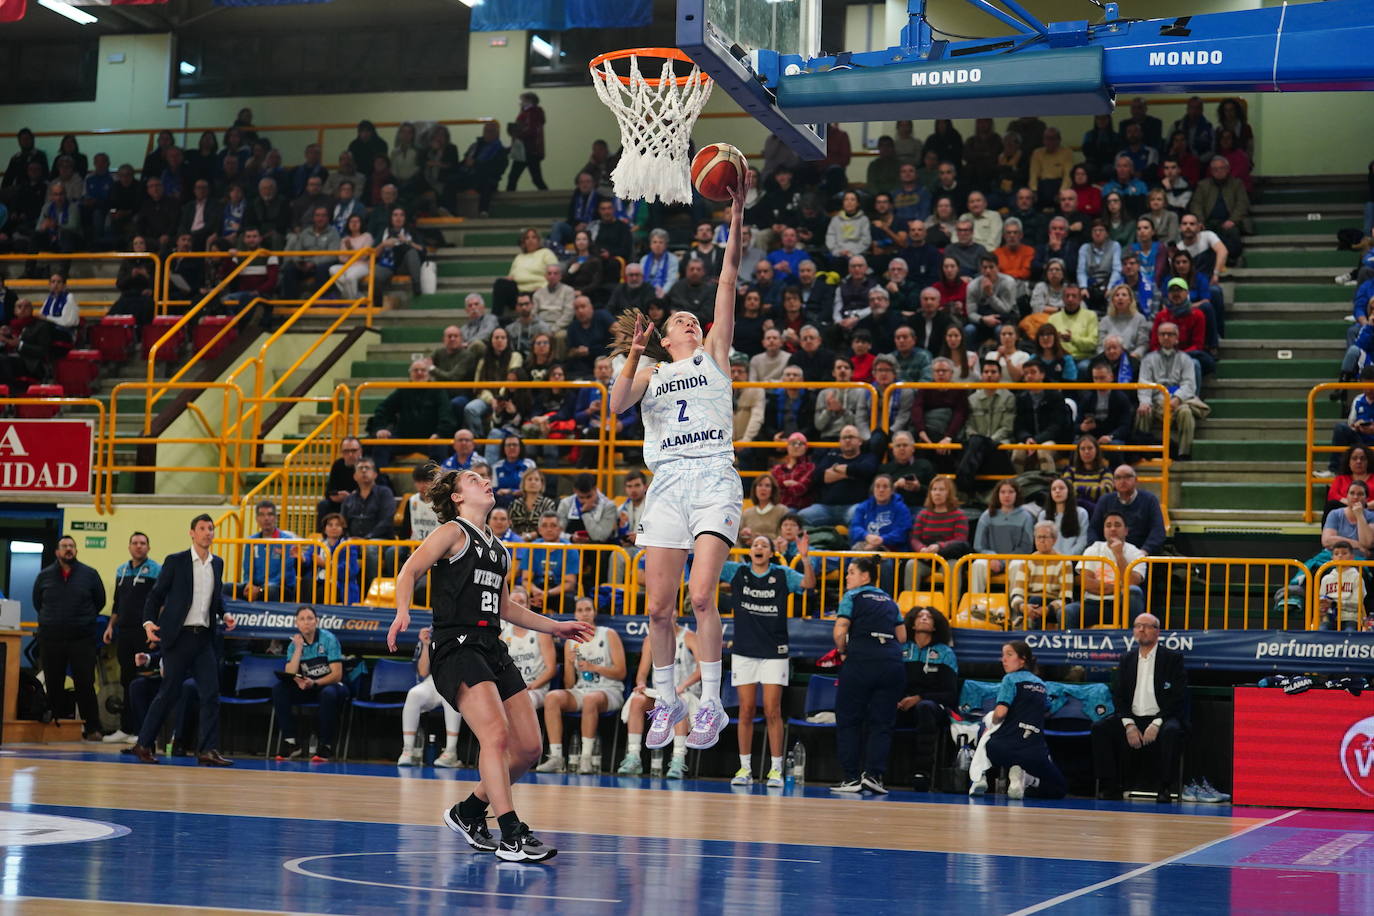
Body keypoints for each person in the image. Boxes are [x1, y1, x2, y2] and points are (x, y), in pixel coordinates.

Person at [605, 171, 751, 755]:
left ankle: (710, 702)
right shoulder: (650, 371)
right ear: (666, 339)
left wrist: (736, 213)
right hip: (666, 483)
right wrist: (634, 352)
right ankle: (665, 700)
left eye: (694, 319)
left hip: (714, 474)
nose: (691, 321)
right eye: (680, 322)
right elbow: (617, 406)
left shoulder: (716, 352)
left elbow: (729, 275)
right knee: (658, 608)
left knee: (700, 597)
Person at [385, 467, 592, 861]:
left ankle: (469, 812)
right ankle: (512, 833)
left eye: (485, 477)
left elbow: (504, 607)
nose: (484, 481)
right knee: (495, 736)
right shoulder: (451, 532)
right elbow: (410, 570)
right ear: (458, 497)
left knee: (529, 748)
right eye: (473, 479)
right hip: (456, 646)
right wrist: (402, 612)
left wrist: (557, 627)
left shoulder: (500, 549)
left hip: (490, 646)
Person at [132, 515, 237, 766]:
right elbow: (155, 596)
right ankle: (143, 744)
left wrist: (226, 613)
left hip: (203, 638)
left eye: (211, 529)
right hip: (178, 638)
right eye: (202, 529)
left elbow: (215, 598)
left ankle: (207, 750)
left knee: (211, 693)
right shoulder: (176, 561)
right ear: (192, 533)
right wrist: (148, 624)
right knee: (168, 693)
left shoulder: (217, 563)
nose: (207, 533)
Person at [715, 533, 815, 786]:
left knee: (772, 710)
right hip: (744, 651)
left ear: (771, 553)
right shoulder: (737, 572)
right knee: (746, 710)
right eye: (755, 544)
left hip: (774, 651)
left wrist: (805, 558)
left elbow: (808, 585)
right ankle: (744, 769)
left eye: (764, 545)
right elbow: (706, 562)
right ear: (750, 551)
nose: (759, 547)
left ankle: (776, 769)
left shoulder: (782, 574)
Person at [830, 555, 907, 795]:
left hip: (862, 660)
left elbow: (840, 629)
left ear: (865, 576)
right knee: (882, 723)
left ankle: (852, 778)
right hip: (892, 663)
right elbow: (902, 637)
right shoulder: (889, 600)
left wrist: (842, 651)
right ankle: (874, 776)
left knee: (849, 720)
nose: (846, 576)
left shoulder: (852, 596)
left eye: (851, 572)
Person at [1091, 613, 1187, 802]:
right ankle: (1111, 786)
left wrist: (1157, 723)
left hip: (1162, 717)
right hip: (1132, 717)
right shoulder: (1127, 659)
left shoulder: (1172, 659)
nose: (1141, 630)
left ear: (1157, 631)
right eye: (1137, 626)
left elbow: (1177, 696)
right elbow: (1118, 695)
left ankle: (1165, 787)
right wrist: (1128, 725)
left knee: (1172, 731)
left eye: (1146, 626)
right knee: (1100, 729)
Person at [536, 596, 627, 774]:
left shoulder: (608, 634)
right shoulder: (571, 641)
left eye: (588, 609)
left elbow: (621, 672)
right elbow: (570, 685)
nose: (584, 614)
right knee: (552, 697)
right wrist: (569, 664)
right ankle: (556, 757)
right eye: (580, 610)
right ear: (575, 614)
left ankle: (585, 758)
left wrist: (595, 667)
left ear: (594, 612)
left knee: (590, 700)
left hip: (609, 690)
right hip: (582, 690)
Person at [968, 641, 1067, 799]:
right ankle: (1027, 778)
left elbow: (1000, 713)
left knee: (985, 728)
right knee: (1058, 789)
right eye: (1003, 655)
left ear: (1022, 659)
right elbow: (1049, 707)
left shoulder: (1010, 679)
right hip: (1035, 752)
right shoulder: (1041, 684)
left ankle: (980, 777)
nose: (1003, 660)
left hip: (1003, 748)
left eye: (1009, 655)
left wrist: (990, 719)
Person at [33, 535, 107, 741]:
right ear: (57, 552)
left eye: (72, 546)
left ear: (76, 551)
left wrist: (84, 619)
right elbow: (37, 602)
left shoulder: (90, 574)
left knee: (85, 683)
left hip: (81, 638)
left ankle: (93, 728)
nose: (68, 549)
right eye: (64, 546)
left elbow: (99, 601)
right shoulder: (44, 576)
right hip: (51, 638)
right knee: (53, 682)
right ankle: (54, 728)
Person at [616, 618, 700, 779]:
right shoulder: (650, 640)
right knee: (637, 700)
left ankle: (678, 759)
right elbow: (641, 674)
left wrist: (681, 687)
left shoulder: (689, 637)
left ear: (675, 613)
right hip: (659, 694)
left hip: (685, 691)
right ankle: (634, 757)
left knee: (677, 702)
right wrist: (641, 684)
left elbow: (702, 669)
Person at [102, 532, 161, 744]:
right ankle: (125, 728)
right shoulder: (122, 570)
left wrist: (156, 632)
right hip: (124, 632)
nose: (139, 546)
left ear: (148, 547)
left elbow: (160, 604)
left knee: (143, 681)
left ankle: (142, 731)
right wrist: (110, 626)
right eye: (135, 543)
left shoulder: (156, 570)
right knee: (126, 679)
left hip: (144, 633)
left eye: (143, 543)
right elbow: (118, 604)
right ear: (129, 547)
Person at [271, 606, 348, 762]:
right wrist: (299, 649)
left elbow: (337, 674)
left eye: (310, 618)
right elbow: (290, 672)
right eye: (302, 619)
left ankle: (326, 745)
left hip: (331, 685)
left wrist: (315, 682)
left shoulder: (328, 639)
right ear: (297, 623)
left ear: (316, 621)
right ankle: (291, 742)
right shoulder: (295, 644)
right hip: (309, 686)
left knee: (328, 694)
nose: (306, 622)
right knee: (279, 689)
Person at [396, 624, 464, 768]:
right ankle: (408, 750)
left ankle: (451, 751)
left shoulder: (464, 627)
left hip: (458, 681)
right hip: (433, 681)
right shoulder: (432, 630)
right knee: (414, 694)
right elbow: (422, 672)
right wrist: (426, 645)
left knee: (451, 694)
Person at [1068, 510, 1148, 626]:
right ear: (1104, 530)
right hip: (1093, 603)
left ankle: (1131, 641)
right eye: (1108, 525)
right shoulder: (1093, 549)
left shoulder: (1136, 554)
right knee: (1068, 612)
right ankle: (1072, 644)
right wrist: (1119, 586)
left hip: (1121, 604)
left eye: (1117, 525)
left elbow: (1131, 583)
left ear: (1126, 531)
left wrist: (1119, 555)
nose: (1113, 529)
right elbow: (1086, 583)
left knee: (1134, 592)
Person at [1088, 464, 1167, 554]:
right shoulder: (1105, 500)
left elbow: (1158, 531)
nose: (1123, 481)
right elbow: (1093, 529)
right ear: (1113, 482)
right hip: (1108, 555)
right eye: (1118, 478)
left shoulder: (1150, 499)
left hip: (1142, 555)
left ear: (1136, 480)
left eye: (1127, 477)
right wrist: (1097, 550)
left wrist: (1145, 551)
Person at [1316, 541, 1366, 631]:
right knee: (1322, 631)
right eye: (1336, 554)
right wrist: (1323, 607)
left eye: (1344, 553)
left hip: (1350, 618)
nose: (1340, 556)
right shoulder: (1326, 579)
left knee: (1349, 632)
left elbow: (1357, 603)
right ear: (1332, 558)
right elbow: (1321, 601)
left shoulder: (1357, 577)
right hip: (1329, 619)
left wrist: (1335, 603)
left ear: (1352, 557)